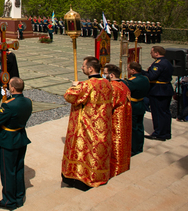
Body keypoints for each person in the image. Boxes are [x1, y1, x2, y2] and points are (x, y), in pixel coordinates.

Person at [61, 56, 113, 191]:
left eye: (83, 66)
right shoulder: (107, 83)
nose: (82, 68)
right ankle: (99, 176)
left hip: (87, 125)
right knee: (97, 152)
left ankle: (82, 179)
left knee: (85, 152)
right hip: (102, 125)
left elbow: (69, 96)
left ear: (90, 69)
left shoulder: (86, 85)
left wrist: (74, 86)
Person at [0, 77, 32, 210]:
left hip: (9, 139)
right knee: (19, 169)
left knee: (8, 171)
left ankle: (9, 200)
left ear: (12, 88)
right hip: (21, 136)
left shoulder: (8, 105)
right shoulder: (28, 101)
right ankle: (19, 197)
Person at [104, 64, 132, 177]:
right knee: (123, 144)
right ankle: (123, 166)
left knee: (115, 145)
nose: (104, 76)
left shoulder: (112, 87)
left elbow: (109, 105)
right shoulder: (124, 85)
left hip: (115, 120)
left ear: (111, 75)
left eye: (105, 74)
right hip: (125, 118)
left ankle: (114, 170)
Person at [143, 46, 174, 141]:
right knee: (165, 112)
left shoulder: (158, 64)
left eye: (152, 52)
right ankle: (166, 132)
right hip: (166, 89)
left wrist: (142, 72)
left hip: (158, 91)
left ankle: (159, 133)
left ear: (157, 53)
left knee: (158, 113)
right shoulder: (167, 62)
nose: (150, 54)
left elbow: (152, 76)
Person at [123, 62, 150, 155]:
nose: (127, 70)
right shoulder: (145, 78)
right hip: (141, 104)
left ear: (133, 70)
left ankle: (134, 149)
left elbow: (125, 87)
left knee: (133, 128)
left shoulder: (133, 81)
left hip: (133, 105)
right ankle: (139, 147)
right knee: (140, 127)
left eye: (128, 68)